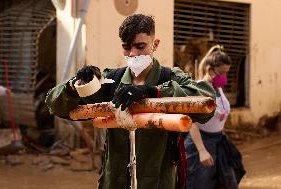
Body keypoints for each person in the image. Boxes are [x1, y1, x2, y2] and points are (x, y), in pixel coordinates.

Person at [45, 14, 216, 189]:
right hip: (116, 181)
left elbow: (206, 103)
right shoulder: (111, 82)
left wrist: (155, 91)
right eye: (126, 48)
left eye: (140, 46)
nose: (133, 54)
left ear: (154, 44)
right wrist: (76, 85)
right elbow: (55, 104)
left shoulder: (170, 77)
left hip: (157, 182)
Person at [184, 45, 246, 189]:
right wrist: (201, 150)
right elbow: (191, 121)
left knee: (225, 182)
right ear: (210, 70)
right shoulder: (199, 88)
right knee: (200, 184)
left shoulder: (218, 89)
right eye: (222, 73)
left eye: (226, 73)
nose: (224, 77)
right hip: (200, 144)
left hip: (219, 142)